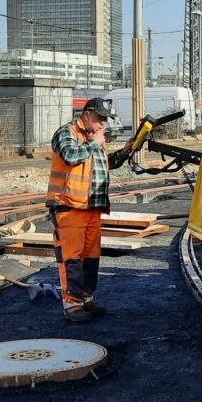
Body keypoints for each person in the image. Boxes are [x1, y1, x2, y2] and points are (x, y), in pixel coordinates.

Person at [46, 97, 134, 322]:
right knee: (71, 258)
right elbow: (71, 156)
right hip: (70, 205)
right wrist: (94, 141)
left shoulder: (95, 138)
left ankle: (86, 298)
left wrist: (124, 151)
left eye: (106, 119)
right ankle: (72, 305)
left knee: (91, 257)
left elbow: (105, 162)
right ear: (86, 114)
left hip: (92, 207)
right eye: (100, 118)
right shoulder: (67, 133)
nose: (103, 123)